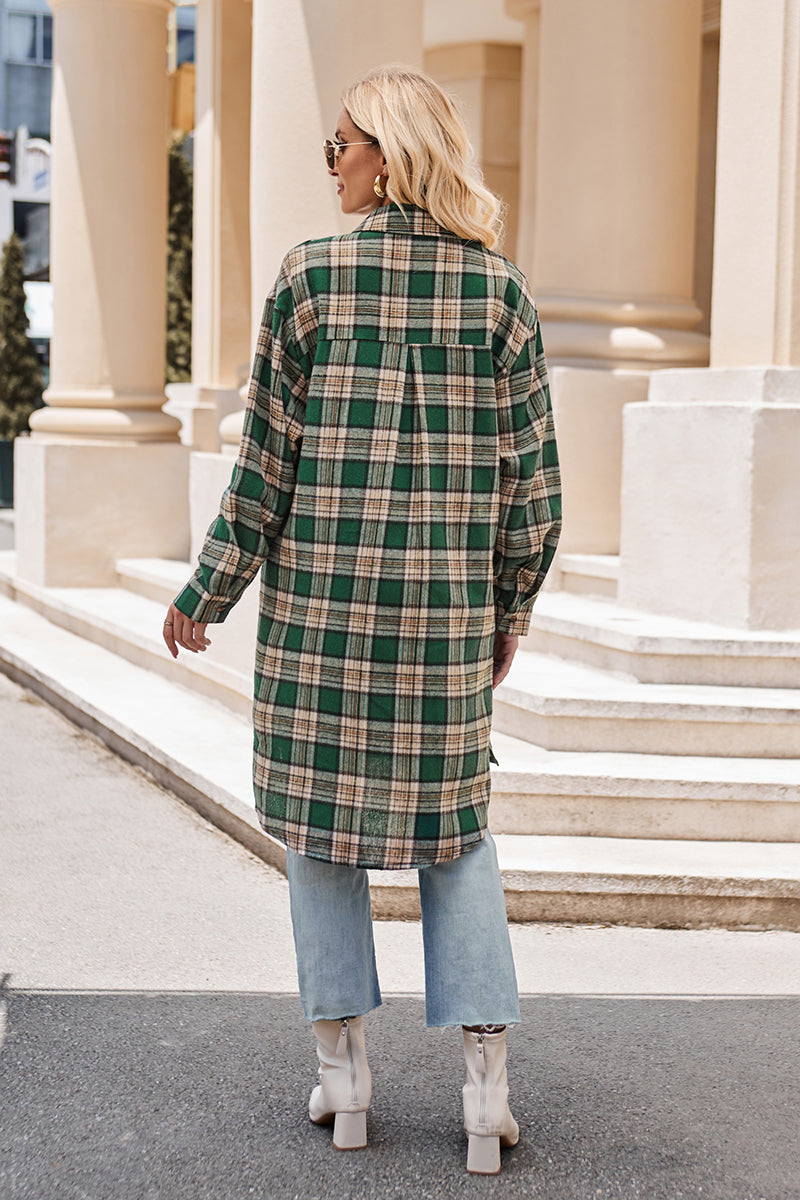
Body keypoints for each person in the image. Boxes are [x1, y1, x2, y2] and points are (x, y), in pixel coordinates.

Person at [163, 64, 560, 1176]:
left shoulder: (310, 280)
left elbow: (264, 470)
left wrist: (208, 592)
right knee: (457, 836)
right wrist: (508, 611)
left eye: (340, 144)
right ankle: (484, 1094)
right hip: (440, 630)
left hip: (319, 627)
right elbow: (534, 494)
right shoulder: (500, 296)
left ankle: (344, 1081)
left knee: (318, 833)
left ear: (387, 154)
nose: (330, 162)